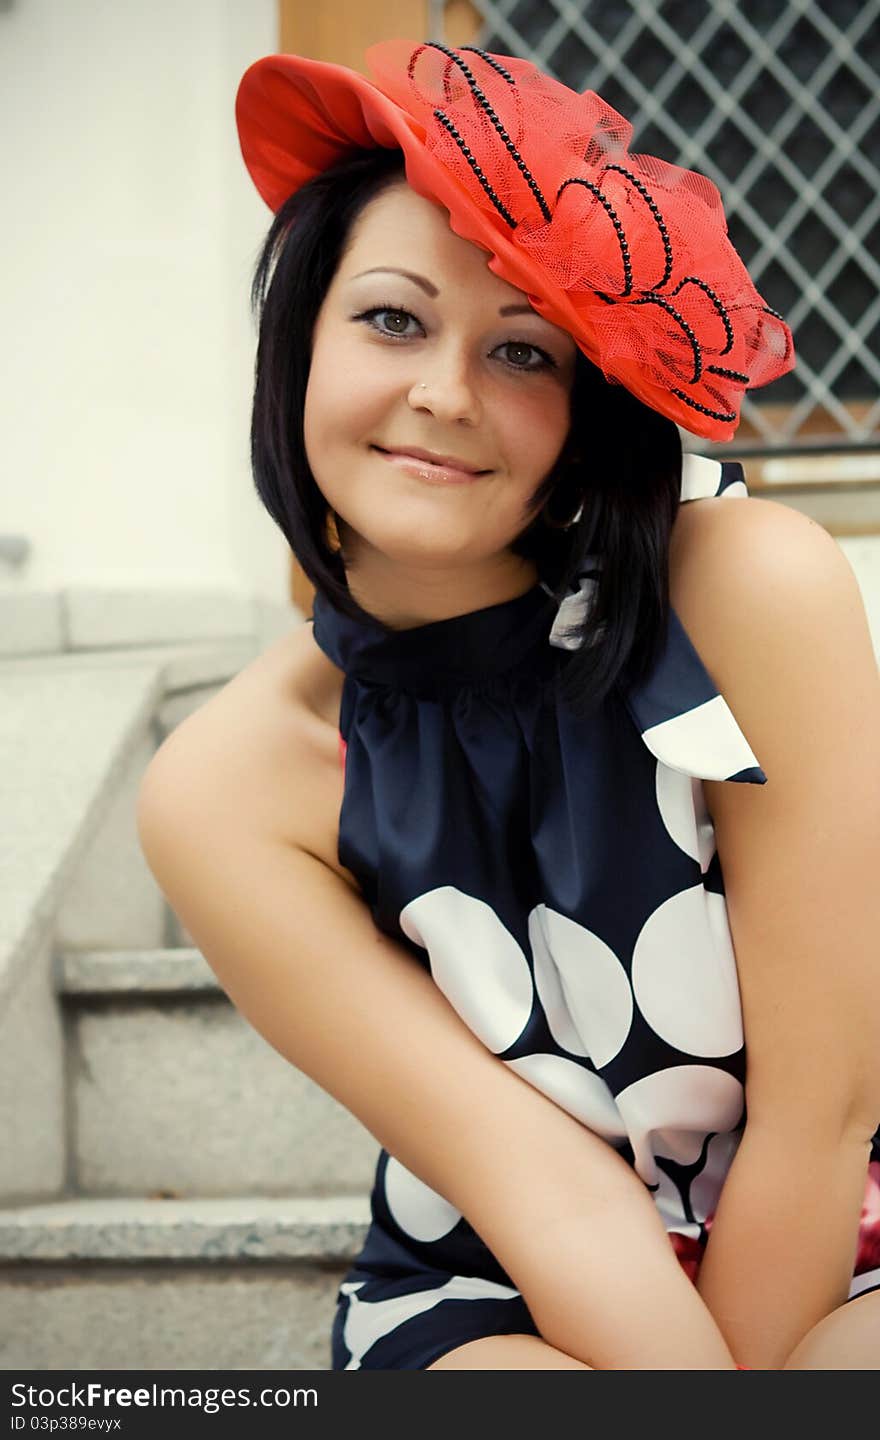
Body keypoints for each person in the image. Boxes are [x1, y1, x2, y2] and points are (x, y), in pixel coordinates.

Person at [137, 38, 880, 1370]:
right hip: (503, 1279)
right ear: (297, 340)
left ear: (587, 408)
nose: (444, 395)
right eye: (391, 318)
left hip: (844, 1224)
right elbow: (555, 1199)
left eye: (525, 351)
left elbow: (822, 1118)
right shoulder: (232, 786)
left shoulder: (749, 592)